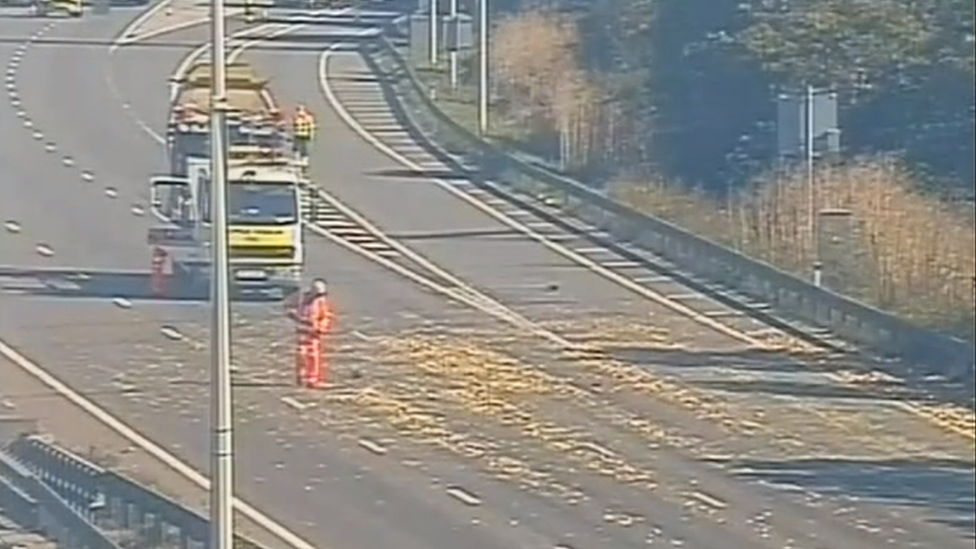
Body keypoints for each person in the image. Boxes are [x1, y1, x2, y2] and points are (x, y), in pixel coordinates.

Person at [285, 279, 333, 388]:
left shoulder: (321, 302)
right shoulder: (301, 298)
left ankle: (312, 378)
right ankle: (301, 376)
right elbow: (289, 307)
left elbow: (325, 316)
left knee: (313, 355)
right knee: (301, 354)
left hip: (314, 332)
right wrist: (293, 315)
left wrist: (321, 328)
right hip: (301, 330)